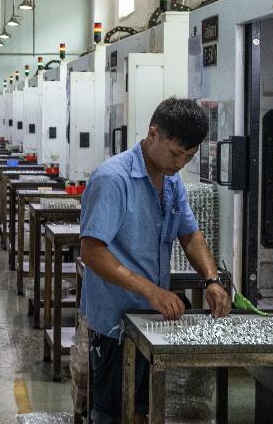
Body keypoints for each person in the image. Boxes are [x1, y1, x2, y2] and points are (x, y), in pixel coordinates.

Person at [79, 97, 231, 424]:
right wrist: (151, 290)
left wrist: (211, 279)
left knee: (144, 408)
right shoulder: (113, 179)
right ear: (153, 134)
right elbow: (91, 252)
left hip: (152, 321)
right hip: (115, 323)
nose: (180, 164)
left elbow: (190, 234)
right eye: (176, 154)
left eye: (188, 157)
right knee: (111, 413)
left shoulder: (172, 180)